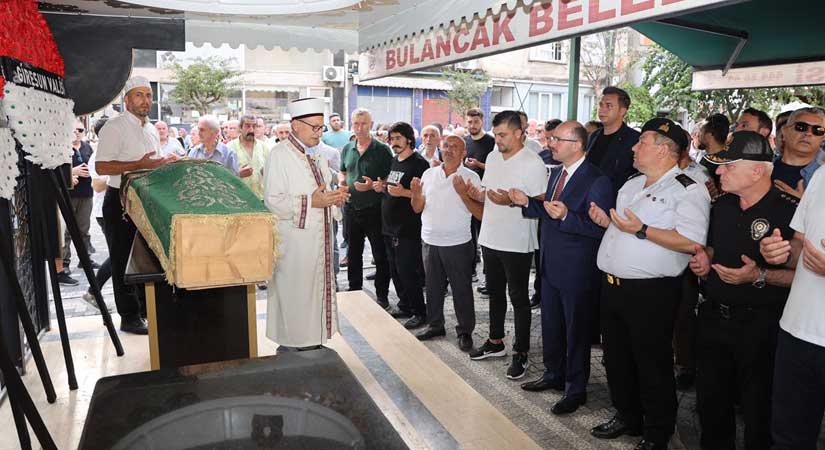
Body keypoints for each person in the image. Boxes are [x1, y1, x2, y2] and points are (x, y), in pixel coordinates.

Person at [589, 118, 710, 450]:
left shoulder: (688, 189)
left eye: (641, 142)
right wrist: (607, 222)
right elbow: (625, 228)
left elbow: (691, 242)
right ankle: (628, 415)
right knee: (617, 358)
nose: (633, 147)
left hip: (650, 292)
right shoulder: (631, 184)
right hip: (613, 285)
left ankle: (657, 431)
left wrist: (642, 230)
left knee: (651, 363)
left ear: (663, 149)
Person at [690, 131, 797, 450]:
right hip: (713, 318)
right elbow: (715, 247)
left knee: (759, 408)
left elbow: (807, 277)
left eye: (728, 166)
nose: (719, 171)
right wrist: (705, 258)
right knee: (711, 404)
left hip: (762, 326)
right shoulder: (722, 205)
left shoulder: (790, 211)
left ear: (756, 171)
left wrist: (758, 275)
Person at [511, 121, 614, 415]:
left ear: (577, 145)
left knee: (576, 332)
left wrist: (569, 216)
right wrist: (526, 202)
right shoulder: (557, 173)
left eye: (557, 139)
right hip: (550, 264)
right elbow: (550, 211)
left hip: (577, 269)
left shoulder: (597, 180)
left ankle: (575, 388)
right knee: (552, 325)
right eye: (551, 138)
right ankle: (553, 373)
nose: (551, 143)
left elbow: (602, 229)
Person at [467, 110, 548, 380]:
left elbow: (542, 203)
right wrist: (476, 194)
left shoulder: (533, 162)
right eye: (496, 134)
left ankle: (521, 351)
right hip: (490, 236)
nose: (498, 139)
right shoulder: (492, 157)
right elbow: (489, 191)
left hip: (517, 240)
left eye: (502, 135)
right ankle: (495, 341)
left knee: (518, 297)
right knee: (495, 293)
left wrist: (512, 201)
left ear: (518, 133)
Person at [95, 76, 179, 334]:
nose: (145, 101)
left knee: (147, 258)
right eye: (139, 95)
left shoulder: (151, 129)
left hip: (147, 200)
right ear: (127, 99)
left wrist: (166, 163)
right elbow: (102, 166)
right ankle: (129, 317)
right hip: (120, 201)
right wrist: (138, 165)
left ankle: (146, 311)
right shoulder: (115, 126)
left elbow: (152, 163)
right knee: (122, 260)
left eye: (149, 95)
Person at [263, 98, 348, 349]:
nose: (319, 133)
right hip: (295, 242)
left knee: (315, 290)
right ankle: (294, 345)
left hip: (318, 238)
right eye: (315, 127)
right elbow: (273, 201)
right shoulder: (279, 155)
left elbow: (322, 190)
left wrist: (334, 197)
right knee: (296, 293)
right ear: (296, 125)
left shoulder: (318, 153)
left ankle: (314, 341)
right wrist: (313, 202)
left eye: (321, 127)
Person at [760, 155, 825, 450]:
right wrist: (781, 252)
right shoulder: (821, 176)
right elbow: (800, 243)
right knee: (788, 439)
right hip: (796, 332)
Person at [412, 135, 482, 350]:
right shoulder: (429, 174)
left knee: (461, 289)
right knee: (433, 287)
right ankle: (435, 325)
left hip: (458, 242)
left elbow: (480, 214)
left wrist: (463, 194)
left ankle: (465, 331)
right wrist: (415, 194)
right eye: (446, 146)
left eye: (455, 147)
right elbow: (417, 208)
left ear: (464, 153)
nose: (449, 150)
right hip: (430, 240)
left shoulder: (471, 177)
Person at [371, 122, 430, 328]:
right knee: (395, 270)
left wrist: (403, 193)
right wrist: (381, 187)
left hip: (407, 228)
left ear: (409, 139)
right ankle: (405, 305)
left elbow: (425, 195)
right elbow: (392, 186)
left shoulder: (419, 164)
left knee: (408, 271)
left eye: (398, 138)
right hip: (389, 226)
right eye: (392, 138)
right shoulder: (395, 160)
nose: (394, 142)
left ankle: (419, 312)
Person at [339, 108, 393, 307]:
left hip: (375, 208)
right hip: (351, 207)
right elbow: (343, 171)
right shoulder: (347, 148)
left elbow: (391, 176)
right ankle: (354, 291)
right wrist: (342, 182)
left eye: (363, 123)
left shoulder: (382, 149)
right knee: (353, 253)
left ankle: (382, 295)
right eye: (356, 123)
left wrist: (376, 185)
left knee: (380, 254)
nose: (359, 128)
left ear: (371, 124)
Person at [463, 107, 496, 293]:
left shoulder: (491, 142)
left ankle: (489, 278)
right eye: (470, 122)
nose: (472, 125)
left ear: (482, 122)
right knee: (468, 235)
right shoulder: (465, 141)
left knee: (485, 237)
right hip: (467, 194)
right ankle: (470, 271)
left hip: (485, 196)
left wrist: (478, 164)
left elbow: (496, 167)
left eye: (476, 122)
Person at [81, 117, 113, 309]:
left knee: (121, 256)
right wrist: (119, 174)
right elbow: (98, 185)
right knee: (118, 256)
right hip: (105, 212)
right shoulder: (98, 156)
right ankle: (93, 291)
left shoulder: (112, 151)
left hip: (115, 210)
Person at [585, 86, 640, 194]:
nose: (602, 109)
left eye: (609, 106)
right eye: (601, 105)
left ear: (622, 111)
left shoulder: (634, 139)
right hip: (588, 193)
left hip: (616, 196)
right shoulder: (593, 135)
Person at [62, 119, 97, 280]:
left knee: (84, 229)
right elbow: (58, 171)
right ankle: (65, 263)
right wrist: (73, 171)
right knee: (67, 231)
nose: (77, 132)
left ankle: (85, 259)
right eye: (73, 129)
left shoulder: (87, 147)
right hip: (68, 195)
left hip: (86, 193)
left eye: (80, 130)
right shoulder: (62, 148)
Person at [772, 107, 825, 197]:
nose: (808, 133)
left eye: (817, 130)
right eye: (801, 127)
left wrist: (804, 203)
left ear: (822, 138)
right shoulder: (762, 168)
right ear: (784, 132)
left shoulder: (822, 176)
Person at [227, 115, 265, 198]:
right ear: (240, 128)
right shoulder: (229, 148)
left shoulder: (264, 147)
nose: (251, 130)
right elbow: (223, 176)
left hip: (261, 199)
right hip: (239, 199)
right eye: (247, 126)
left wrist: (268, 173)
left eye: (254, 126)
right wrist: (238, 174)